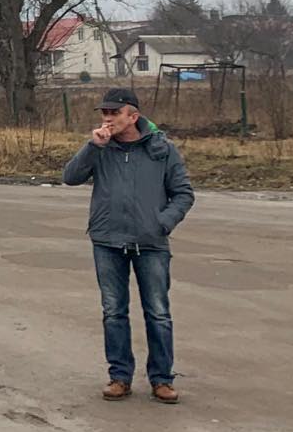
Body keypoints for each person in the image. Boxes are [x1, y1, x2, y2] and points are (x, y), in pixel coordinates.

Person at [63, 86, 196, 404]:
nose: (108, 118)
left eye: (115, 113)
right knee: (113, 312)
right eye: (105, 113)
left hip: (150, 243)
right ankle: (119, 377)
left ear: (133, 116)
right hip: (108, 240)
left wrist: (162, 222)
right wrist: (93, 147)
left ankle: (162, 379)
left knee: (158, 313)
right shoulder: (100, 148)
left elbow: (183, 193)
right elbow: (70, 177)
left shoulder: (161, 149)